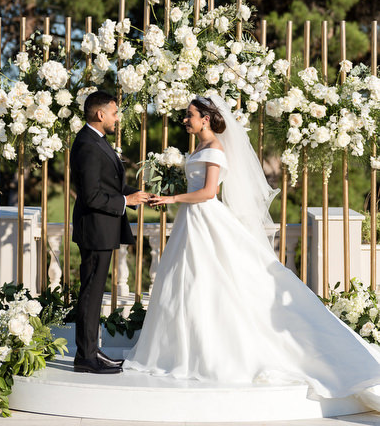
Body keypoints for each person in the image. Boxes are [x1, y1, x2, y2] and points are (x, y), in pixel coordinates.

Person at [124, 94, 380, 411]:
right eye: (186, 115)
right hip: (190, 223)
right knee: (185, 282)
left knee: (211, 280)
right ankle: (180, 350)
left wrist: (171, 200)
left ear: (205, 118)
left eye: (190, 115)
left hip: (205, 219)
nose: (185, 119)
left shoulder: (215, 149)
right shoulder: (200, 148)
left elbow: (207, 193)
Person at [71, 91, 149, 374]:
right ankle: (86, 357)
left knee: (93, 293)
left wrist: (134, 194)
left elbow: (107, 186)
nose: (118, 118)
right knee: (91, 294)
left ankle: (90, 352)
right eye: (114, 113)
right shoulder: (88, 145)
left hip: (100, 228)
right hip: (95, 229)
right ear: (100, 114)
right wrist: (127, 202)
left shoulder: (95, 140)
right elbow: (91, 196)